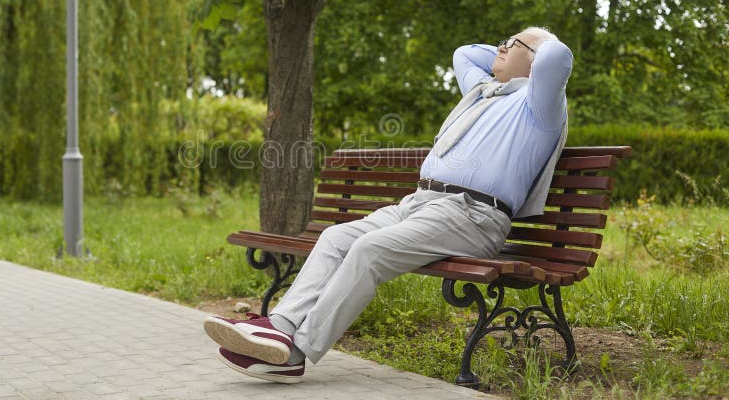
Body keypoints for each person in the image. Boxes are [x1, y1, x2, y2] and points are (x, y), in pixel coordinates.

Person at [202, 27, 573, 384]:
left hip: (471, 216)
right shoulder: (482, 91)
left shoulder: (539, 106)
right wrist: (515, 47)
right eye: (500, 43)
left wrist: (535, 46)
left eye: (512, 43)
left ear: (535, 60)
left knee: (368, 250)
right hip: (420, 202)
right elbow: (463, 53)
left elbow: (557, 56)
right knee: (336, 237)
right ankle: (279, 329)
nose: (500, 48)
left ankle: (295, 354)